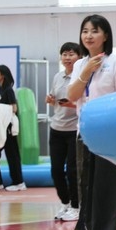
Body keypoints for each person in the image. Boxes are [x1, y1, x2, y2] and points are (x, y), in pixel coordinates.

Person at [66, 14, 116, 230]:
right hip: (85, 134)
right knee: (86, 187)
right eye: (85, 31)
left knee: (109, 188)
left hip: (110, 136)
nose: (89, 35)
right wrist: (85, 72)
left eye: (95, 31)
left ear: (105, 35)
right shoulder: (79, 65)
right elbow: (72, 95)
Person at [44, 42, 81, 220]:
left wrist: (72, 105)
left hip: (74, 129)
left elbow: (86, 102)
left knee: (73, 170)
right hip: (56, 128)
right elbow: (55, 99)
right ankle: (65, 203)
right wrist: (51, 100)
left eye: (71, 54)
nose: (67, 58)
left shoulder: (81, 77)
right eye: (64, 54)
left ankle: (76, 206)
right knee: (56, 170)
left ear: (79, 57)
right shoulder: (58, 77)